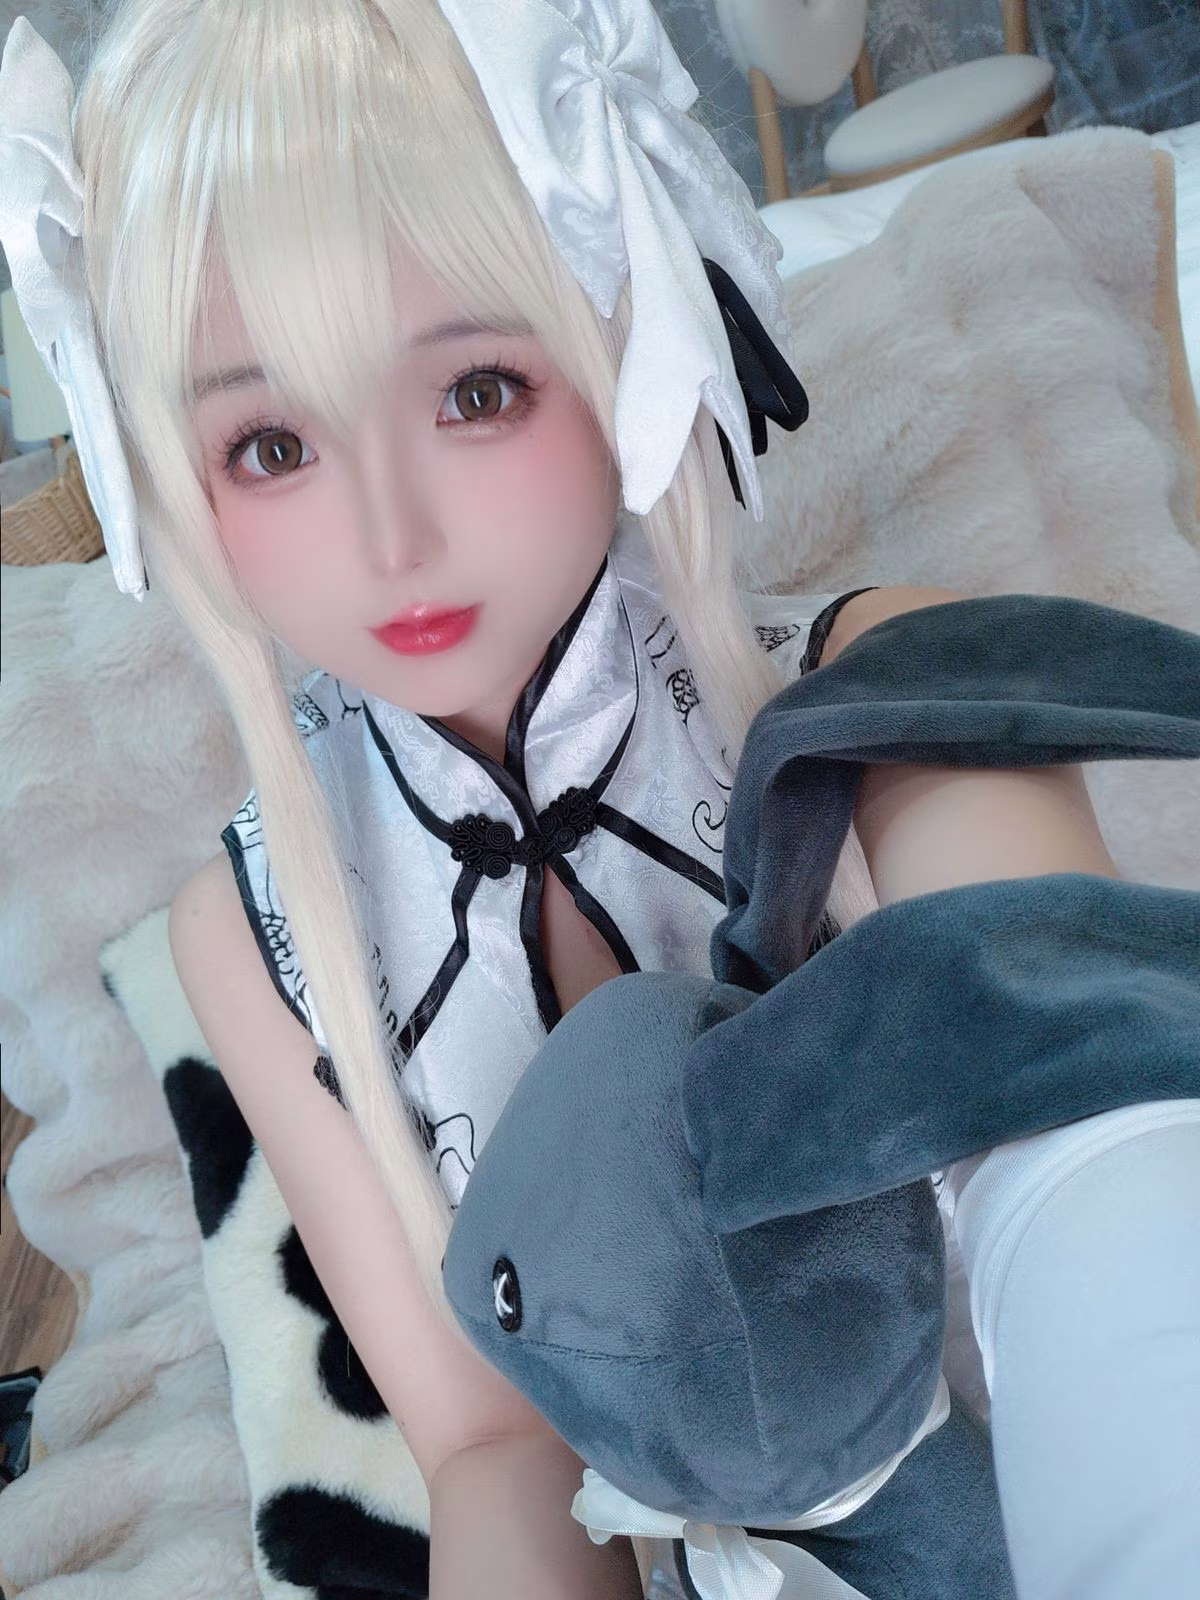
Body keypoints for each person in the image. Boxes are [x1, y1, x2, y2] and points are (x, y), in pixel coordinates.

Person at [1, 3, 1196, 1597]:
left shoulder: (882, 706)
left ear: (622, 329)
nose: (390, 536)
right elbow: (493, 1448)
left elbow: (1097, 1171)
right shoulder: (256, 929)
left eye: (474, 392)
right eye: (271, 442)